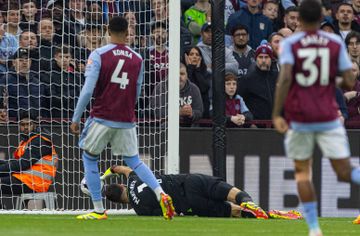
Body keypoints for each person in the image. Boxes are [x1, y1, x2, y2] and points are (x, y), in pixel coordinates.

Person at [70, 16, 175, 220]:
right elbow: (137, 91)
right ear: (128, 33)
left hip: (101, 116)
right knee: (134, 161)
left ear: (107, 31)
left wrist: (76, 118)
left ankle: (99, 210)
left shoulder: (99, 54)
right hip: (126, 118)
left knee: (90, 157)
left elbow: (87, 90)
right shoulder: (138, 58)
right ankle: (161, 194)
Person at [271, 0, 360, 235]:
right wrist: (331, 80)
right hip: (328, 116)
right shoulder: (333, 42)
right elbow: (350, 81)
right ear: (323, 19)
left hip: (300, 118)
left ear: (299, 19)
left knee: (302, 172)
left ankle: (313, 229)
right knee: (344, 171)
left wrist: (277, 113)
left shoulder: (291, 43)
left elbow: (286, 78)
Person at [102, 165, 303, 220]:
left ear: (121, 202)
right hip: (190, 181)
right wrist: (104, 176)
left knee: (231, 211)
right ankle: (249, 202)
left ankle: (265, 215)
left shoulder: (140, 209)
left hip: (189, 204)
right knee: (231, 192)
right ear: (120, 185)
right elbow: (120, 167)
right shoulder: (135, 178)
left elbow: (167, 213)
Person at [0, 110, 58, 195]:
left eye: (29, 124)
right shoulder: (25, 142)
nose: (26, 127)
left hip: (35, 183)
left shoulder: (40, 141)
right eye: (23, 125)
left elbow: (23, 164)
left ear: (34, 125)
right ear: (19, 126)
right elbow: (16, 163)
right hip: (25, 179)